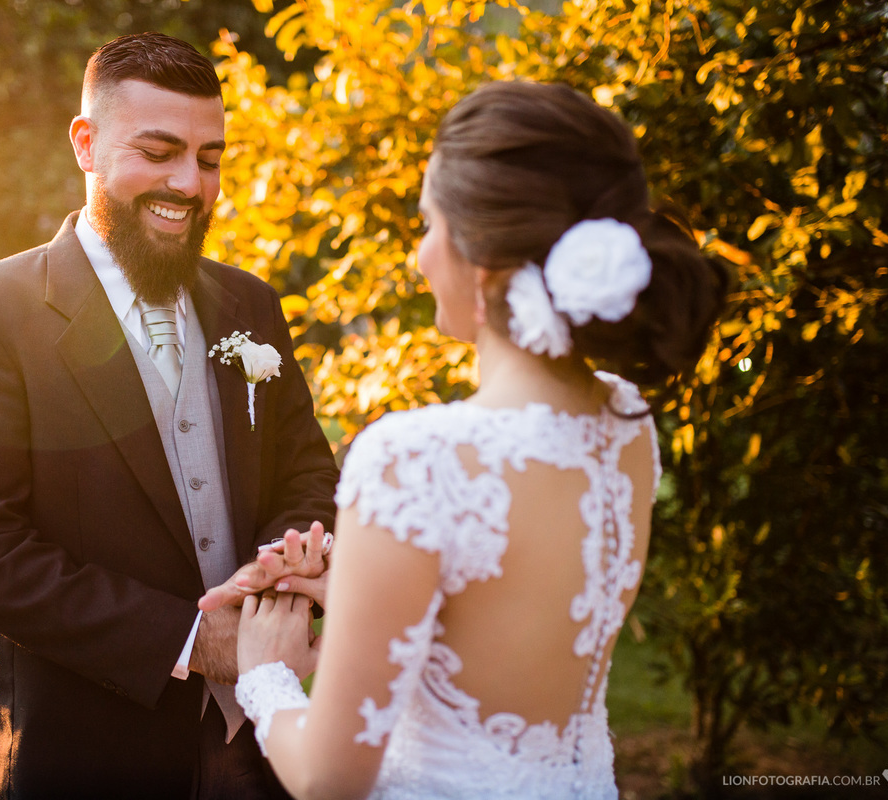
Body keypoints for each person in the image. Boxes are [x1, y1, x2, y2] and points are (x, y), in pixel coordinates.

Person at [212, 80, 728, 798]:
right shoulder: (625, 427)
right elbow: (507, 624)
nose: (420, 255)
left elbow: (331, 779)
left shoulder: (413, 459)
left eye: (428, 226)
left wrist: (265, 671)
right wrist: (365, 590)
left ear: (482, 260)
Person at [0, 32, 338, 799]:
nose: (189, 183)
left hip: (265, 745)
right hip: (89, 751)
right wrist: (197, 641)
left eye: (209, 160)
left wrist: (283, 571)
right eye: (159, 151)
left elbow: (305, 468)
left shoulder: (251, 303)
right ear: (87, 143)